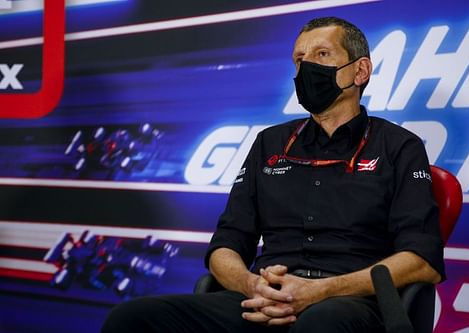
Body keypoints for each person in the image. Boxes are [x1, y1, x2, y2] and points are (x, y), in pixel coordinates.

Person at [101, 17, 444, 333]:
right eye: (299, 59)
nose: (306, 67)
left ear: (360, 71)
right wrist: (251, 285)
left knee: (320, 323)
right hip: (264, 300)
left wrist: (319, 290)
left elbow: (421, 261)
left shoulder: (399, 146)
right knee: (131, 319)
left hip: (348, 302)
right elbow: (226, 245)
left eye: (321, 54)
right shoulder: (271, 143)